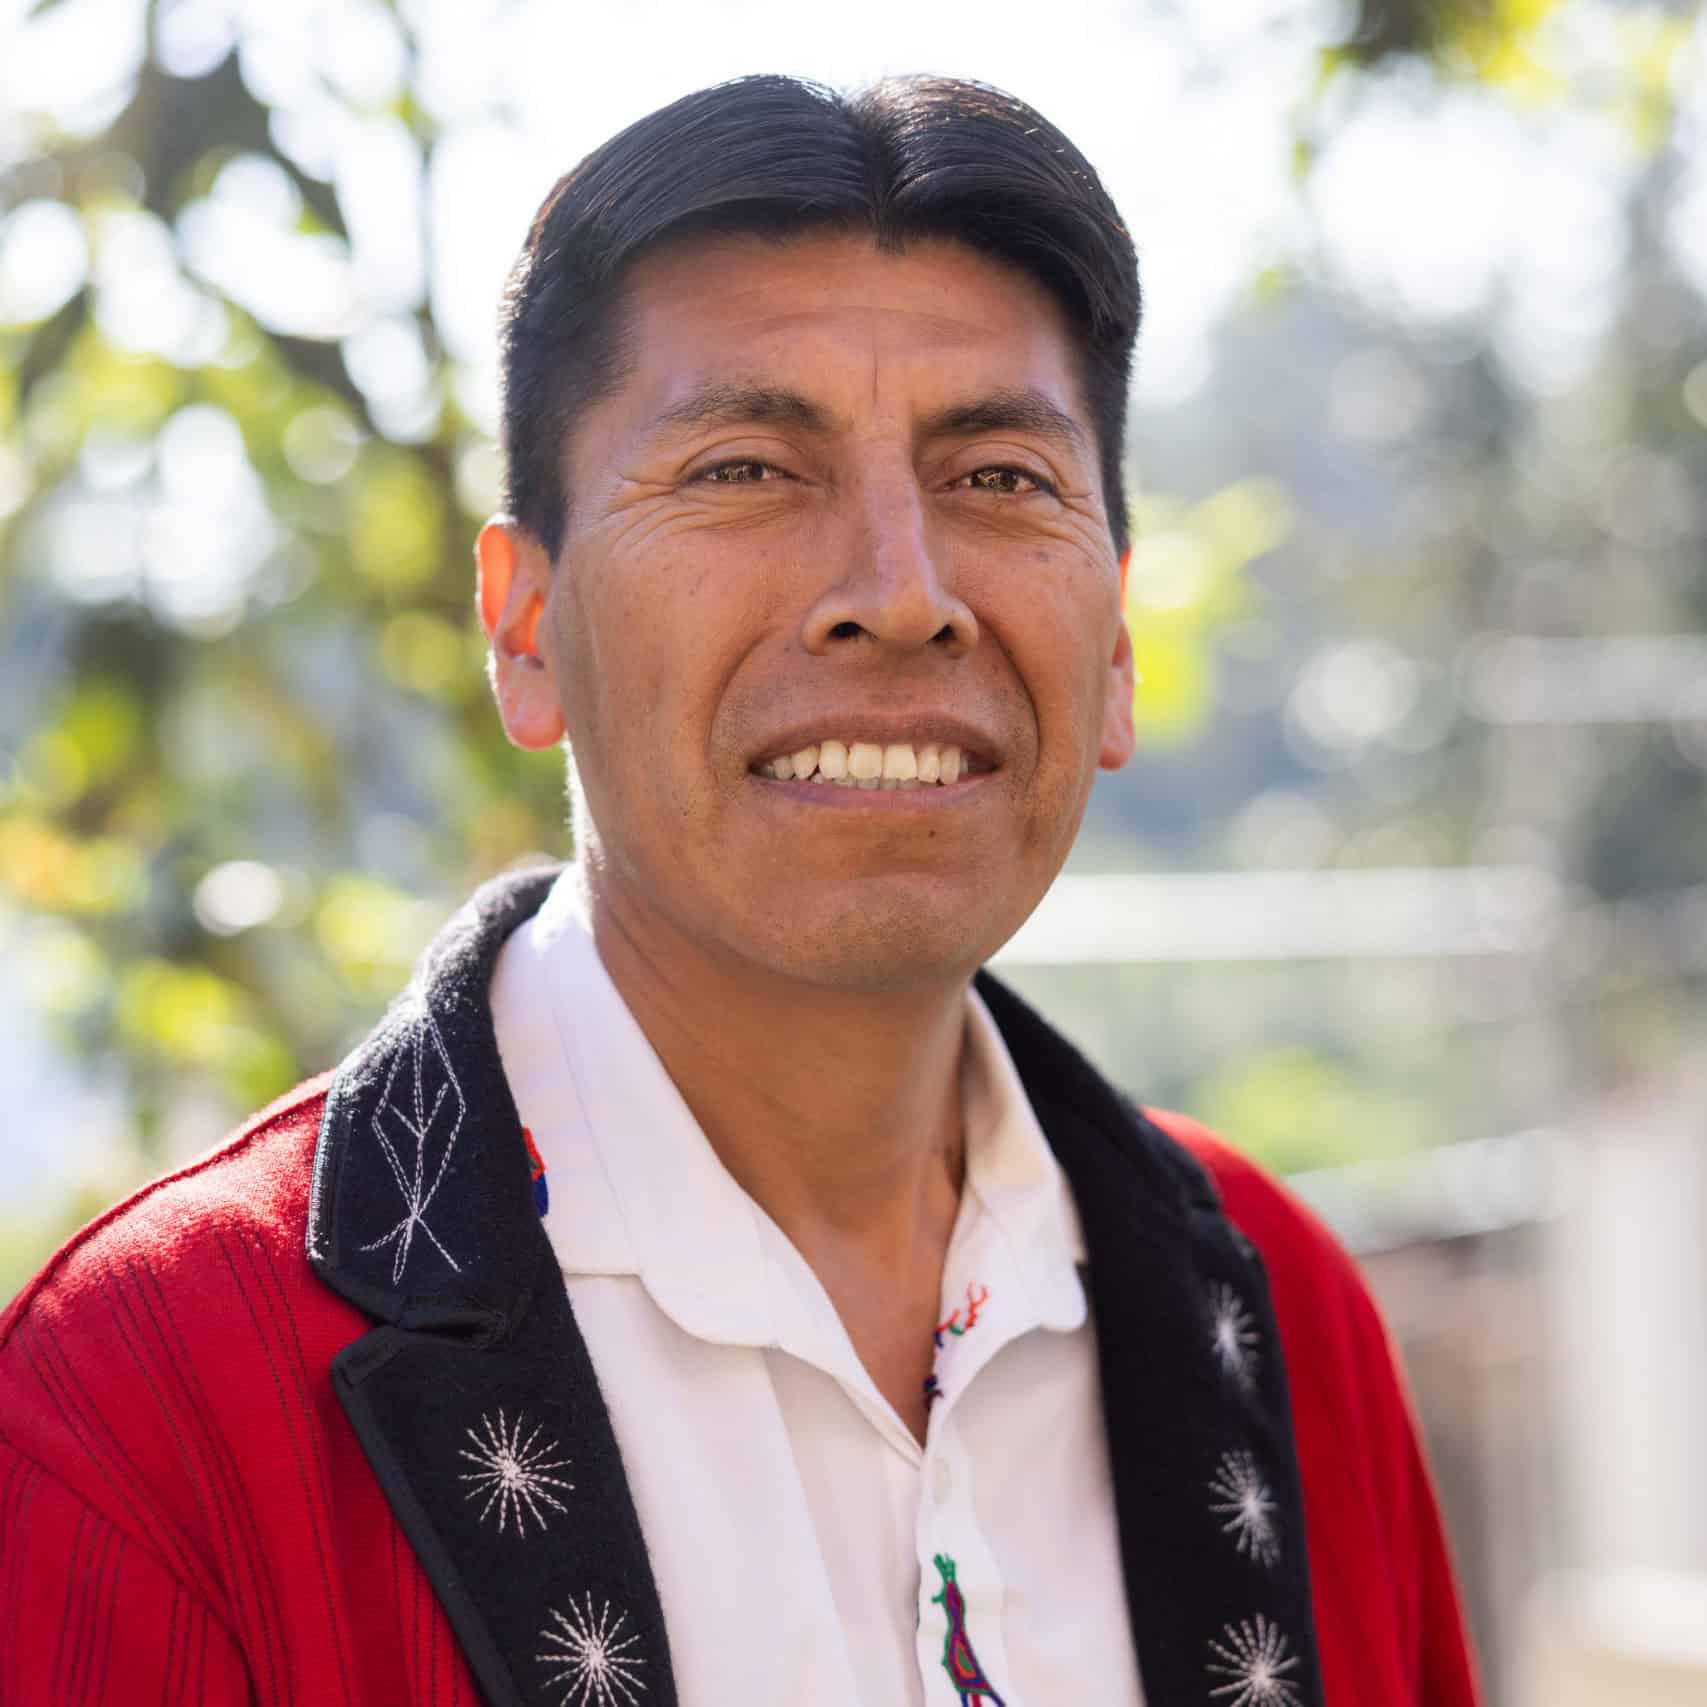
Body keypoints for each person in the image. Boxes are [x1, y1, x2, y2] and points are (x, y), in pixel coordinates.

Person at [0, 74, 1481, 1707]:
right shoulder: (162, 1400)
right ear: (523, 624)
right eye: (744, 470)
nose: (900, 597)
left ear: (1117, 641)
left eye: (998, 478)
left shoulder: (1274, 1319)